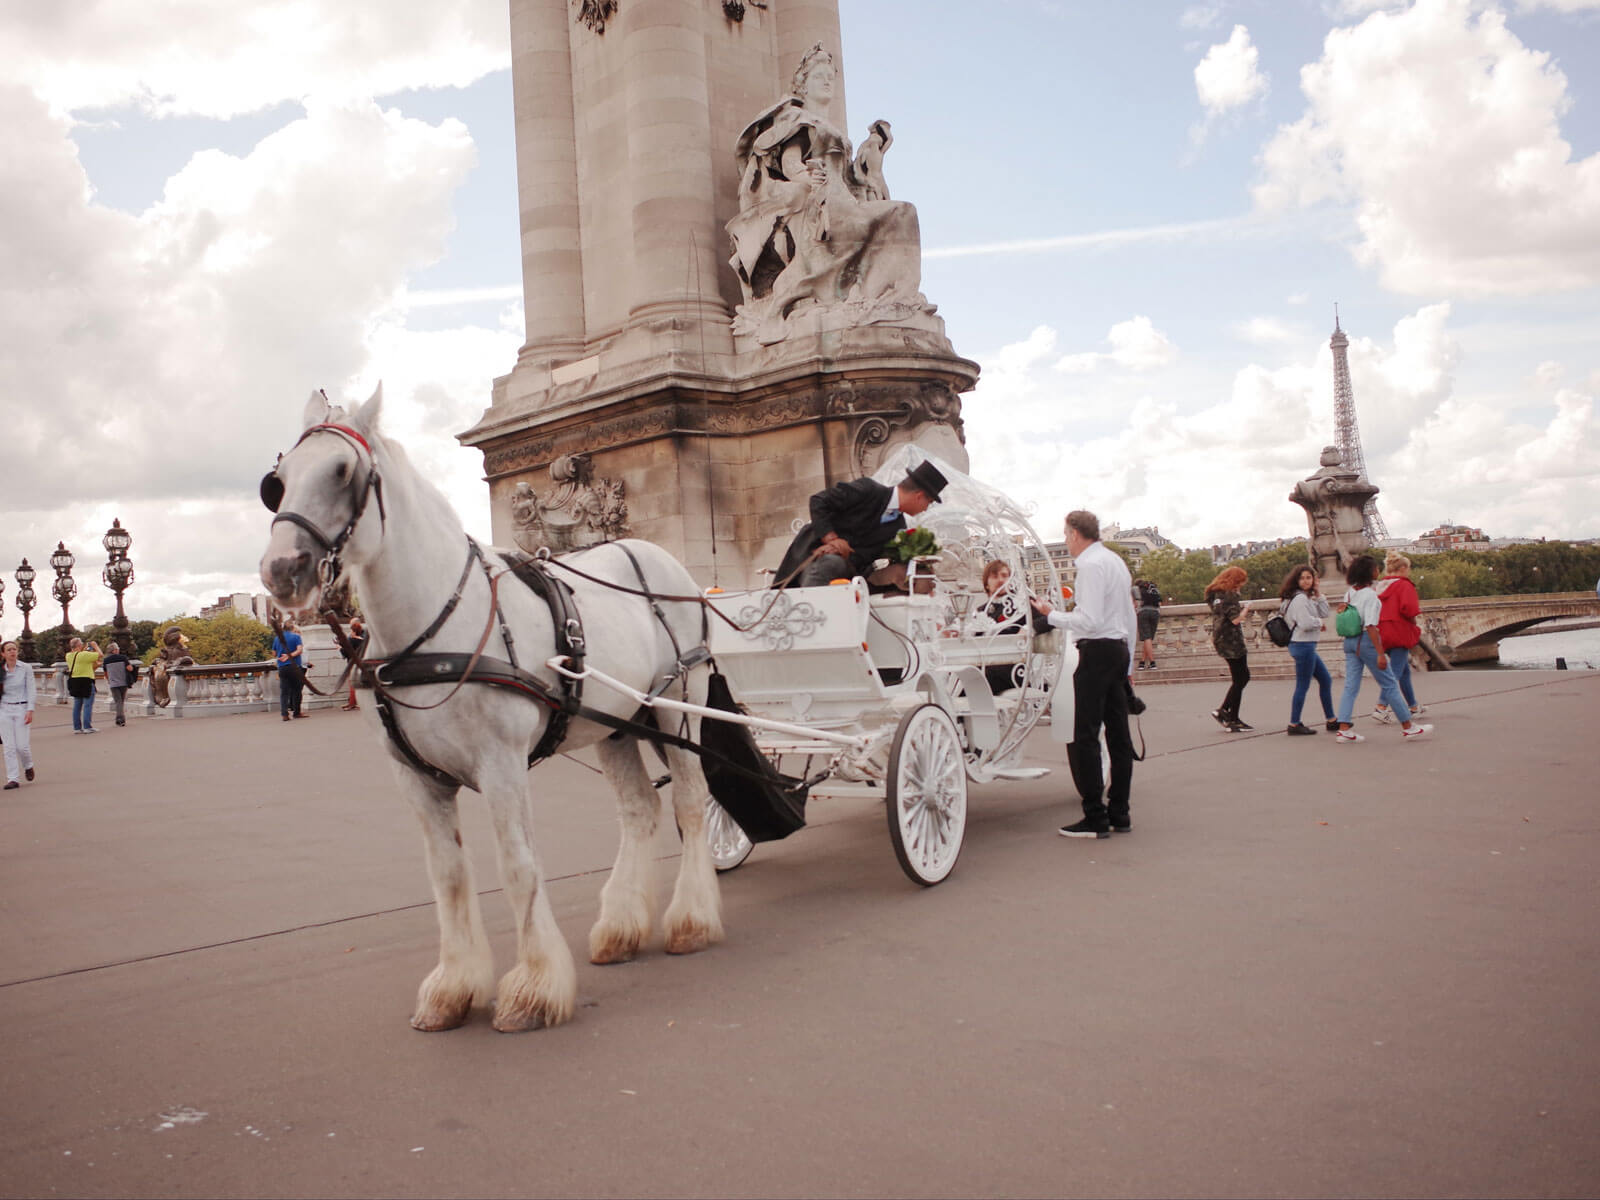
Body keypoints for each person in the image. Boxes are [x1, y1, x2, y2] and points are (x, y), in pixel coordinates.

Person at [1030, 510, 1138, 840]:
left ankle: (1095, 815)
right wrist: (1129, 664)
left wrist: (1052, 616)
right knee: (1119, 737)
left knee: (1084, 735)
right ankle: (1120, 811)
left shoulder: (1090, 567)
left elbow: (1089, 620)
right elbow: (1127, 618)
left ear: (1076, 534)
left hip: (1097, 651)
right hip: (1118, 649)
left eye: (1066, 535)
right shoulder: (1114, 562)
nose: (1066, 542)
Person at [773, 461, 948, 588]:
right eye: (929, 502)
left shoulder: (898, 526)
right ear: (919, 496)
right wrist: (830, 538)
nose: (926, 509)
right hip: (810, 558)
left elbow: (867, 559)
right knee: (832, 563)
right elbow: (819, 501)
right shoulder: (869, 489)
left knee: (841, 566)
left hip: (848, 575)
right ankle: (810, 619)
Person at [1335, 555, 1433, 743]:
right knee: (1389, 683)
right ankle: (1408, 726)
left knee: (1351, 686)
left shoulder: (1349, 593)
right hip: (1365, 641)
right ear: (1369, 572)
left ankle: (1344, 729)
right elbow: (1371, 625)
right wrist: (1380, 653)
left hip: (1349, 642)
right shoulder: (1370, 595)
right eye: (1374, 568)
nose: (1378, 570)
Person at [1278, 564, 1338, 735]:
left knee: (1325, 680)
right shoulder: (1300, 600)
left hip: (1304, 645)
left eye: (1309, 578)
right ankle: (1294, 723)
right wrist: (1319, 624)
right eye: (1302, 578)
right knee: (1302, 685)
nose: (1306, 581)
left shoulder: (1302, 598)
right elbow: (1305, 623)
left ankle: (1331, 719)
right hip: (1303, 645)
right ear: (1297, 580)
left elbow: (1324, 612)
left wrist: (1318, 594)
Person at [1370, 551, 1426, 725]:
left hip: (1382, 629)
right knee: (1395, 672)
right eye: (1408, 568)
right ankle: (1381, 706)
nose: (1409, 572)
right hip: (1399, 629)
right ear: (1402, 568)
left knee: (1403, 670)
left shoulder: (1379, 586)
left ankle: (1413, 706)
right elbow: (1409, 609)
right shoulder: (1404, 585)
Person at [1204, 567, 1252, 732]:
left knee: (1239, 678)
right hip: (1232, 640)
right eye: (1240, 583)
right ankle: (1225, 712)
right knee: (1242, 678)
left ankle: (1232, 716)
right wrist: (1245, 608)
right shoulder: (1230, 596)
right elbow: (1235, 619)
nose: (1241, 586)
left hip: (1220, 639)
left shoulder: (1216, 596)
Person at [1, 640, 38, 789]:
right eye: (8, 650)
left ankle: (28, 765)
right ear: (3, 653)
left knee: (22, 746)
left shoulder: (25, 668)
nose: (12, 652)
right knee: (9, 747)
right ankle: (13, 778)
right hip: (4, 710)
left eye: (14, 649)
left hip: (21, 708)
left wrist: (30, 710)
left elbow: (31, 689)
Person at [65, 637, 102, 734]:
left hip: (75, 681)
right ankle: (87, 727)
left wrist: (84, 651)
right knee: (87, 705)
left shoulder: (68, 655)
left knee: (77, 705)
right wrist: (95, 646)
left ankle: (77, 728)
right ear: (79, 645)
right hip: (86, 681)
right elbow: (100, 655)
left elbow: (81, 661)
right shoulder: (84, 655)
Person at [272, 621, 307, 721]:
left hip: (282, 667)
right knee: (297, 690)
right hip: (295, 666)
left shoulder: (277, 638)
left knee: (284, 692)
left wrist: (282, 654)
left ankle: (284, 714)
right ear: (292, 628)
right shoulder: (296, 637)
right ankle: (297, 712)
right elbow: (300, 650)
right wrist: (289, 656)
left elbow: (274, 653)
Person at [101, 641, 135, 727]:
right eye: (117, 649)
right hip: (123, 682)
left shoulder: (106, 660)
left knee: (118, 701)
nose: (118, 650)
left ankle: (119, 718)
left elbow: (105, 672)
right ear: (114, 650)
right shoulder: (123, 658)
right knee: (121, 701)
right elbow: (130, 668)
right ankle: (120, 719)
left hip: (113, 683)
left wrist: (109, 680)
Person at [1132, 578, 1162, 670]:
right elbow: (1160, 603)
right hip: (1155, 613)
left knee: (1146, 638)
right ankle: (1142, 662)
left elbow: (1135, 604)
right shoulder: (1153, 588)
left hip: (1144, 612)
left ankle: (1153, 663)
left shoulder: (1135, 589)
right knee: (1148, 639)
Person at [341, 617, 366, 711]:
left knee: (352, 683)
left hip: (353, 662)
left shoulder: (352, 639)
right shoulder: (364, 637)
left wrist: (340, 648)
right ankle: (352, 702)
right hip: (362, 661)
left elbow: (347, 651)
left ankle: (352, 703)